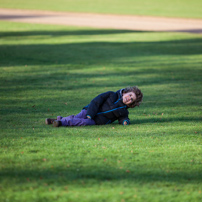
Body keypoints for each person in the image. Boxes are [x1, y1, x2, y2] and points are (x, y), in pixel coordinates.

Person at [45, 86, 143, 127]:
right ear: (126, 92)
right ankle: (59, 120)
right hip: (89, 111)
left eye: (132, 99)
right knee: (78, 117)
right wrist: (90, 113)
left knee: (81, 121)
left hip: (97, 121)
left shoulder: (123, 111)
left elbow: (123, 118)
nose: (129, 98)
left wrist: (125, 122)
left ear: (131, 104)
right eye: (130, 95)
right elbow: (96, 101)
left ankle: (60, 122)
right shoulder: (111, 94)